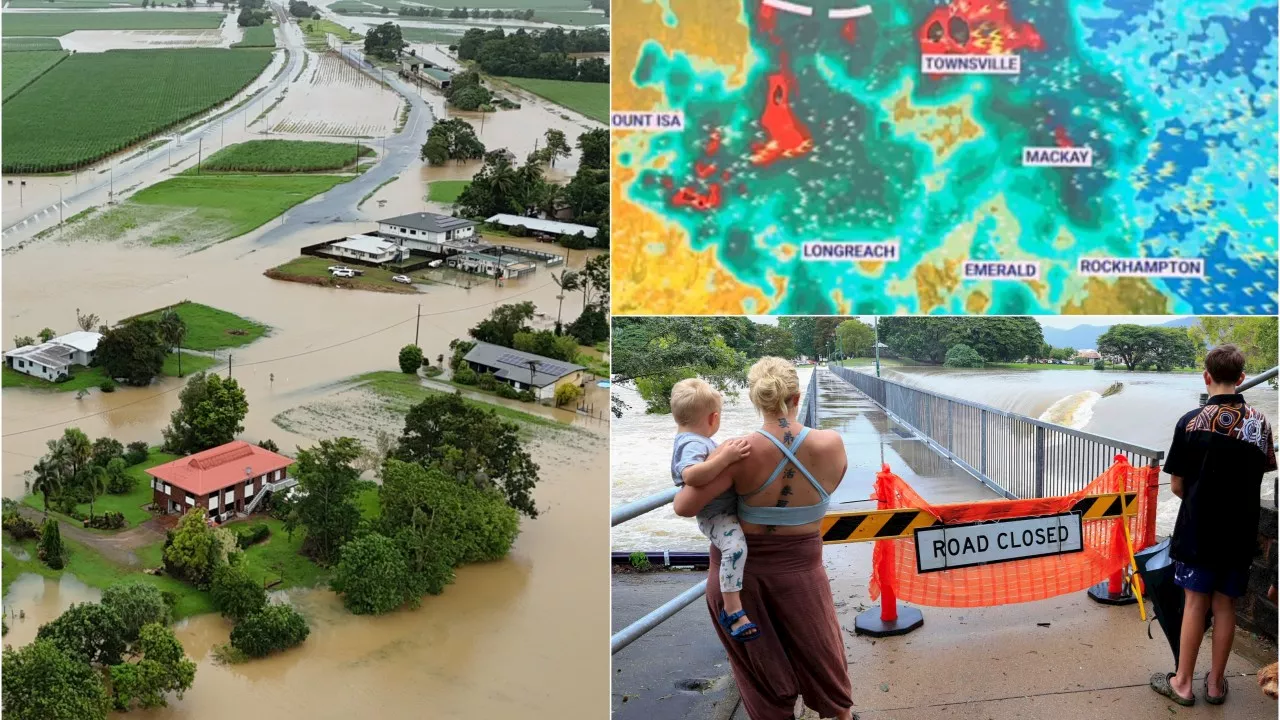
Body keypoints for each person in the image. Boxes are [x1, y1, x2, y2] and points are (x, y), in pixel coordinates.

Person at [674, 357, 855, 720]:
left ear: (755, 399)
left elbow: (685, 505)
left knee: (760, 673)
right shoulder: (832, 444)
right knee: (822, 660)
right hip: (803, 572)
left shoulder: (738, 451)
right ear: (797, 396)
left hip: (740, 583)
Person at [1151, 344, 1277, 706]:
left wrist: (1199, 501)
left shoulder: (1189, 422)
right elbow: (1262, 473)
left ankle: (1183, 683)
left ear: (1206, 376)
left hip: (1198, 531)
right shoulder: (1260, 423)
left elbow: (1176, 484)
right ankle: (1217, 684)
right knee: (1226, 606)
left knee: (1194, 603)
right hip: (1240, 533)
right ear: (1240, 378)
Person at [668, 378, 756, 640]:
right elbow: (692, 476)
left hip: (722, 510)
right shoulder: (691, 443)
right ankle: (732, 609)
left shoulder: (694, 439)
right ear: (713, 418)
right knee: (736, 548)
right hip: (715, 515)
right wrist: (725, 458)